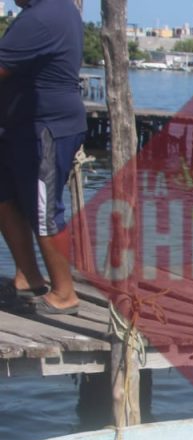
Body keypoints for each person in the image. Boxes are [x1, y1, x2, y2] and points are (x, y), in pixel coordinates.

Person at [0, 0, 87, 316]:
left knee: (44, 208)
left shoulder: (45, 16)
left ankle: (64, 293)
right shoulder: (43, 12)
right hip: (18, 127)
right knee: (5, 198)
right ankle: (29, 278)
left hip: (47, 128)